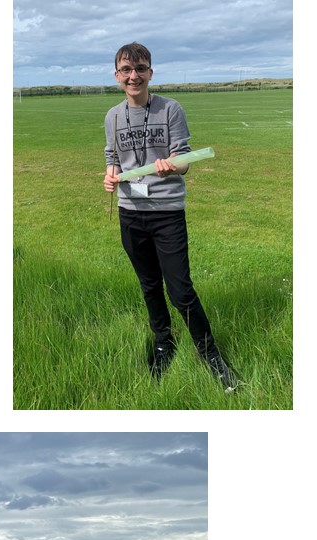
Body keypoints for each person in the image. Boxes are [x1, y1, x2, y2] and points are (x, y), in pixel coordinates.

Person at [102, 42, 235, 390]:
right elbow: (112, 156)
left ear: (150, 72)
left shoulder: (170, 109)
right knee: (149, 287)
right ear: (117, 76)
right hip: (130, 214)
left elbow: (185, 160)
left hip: (166, 213)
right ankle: (164, 342)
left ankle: (210, 355)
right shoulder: (113, 116)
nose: (134, 76)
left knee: (181, 290)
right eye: (127, 70)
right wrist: (110, 173)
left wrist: (171, 166)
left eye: (140, 68)